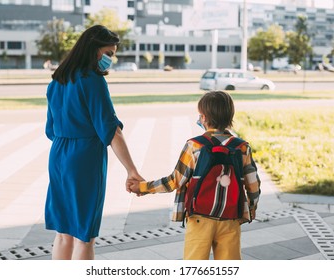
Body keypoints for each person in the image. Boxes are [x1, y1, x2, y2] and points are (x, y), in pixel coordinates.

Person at [44, 25, 143, 260]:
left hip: (58, 156)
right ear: (93, 49)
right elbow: (111, 131)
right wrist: (132, 170)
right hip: (84, 158)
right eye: (108, 53)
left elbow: (50, 129)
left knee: (63, 233)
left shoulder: (57, 81)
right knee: (84, 235)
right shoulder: (93, 81)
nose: (111, 59)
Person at [128, 91, 260, 260]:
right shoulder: (242, 147)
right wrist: (252, 207)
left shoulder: (195, 145)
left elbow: (174, 181)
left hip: (199, 218)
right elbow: (253, 185)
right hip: (230, 218)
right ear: (229, 117)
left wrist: (143, 187)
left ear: (203, 118)